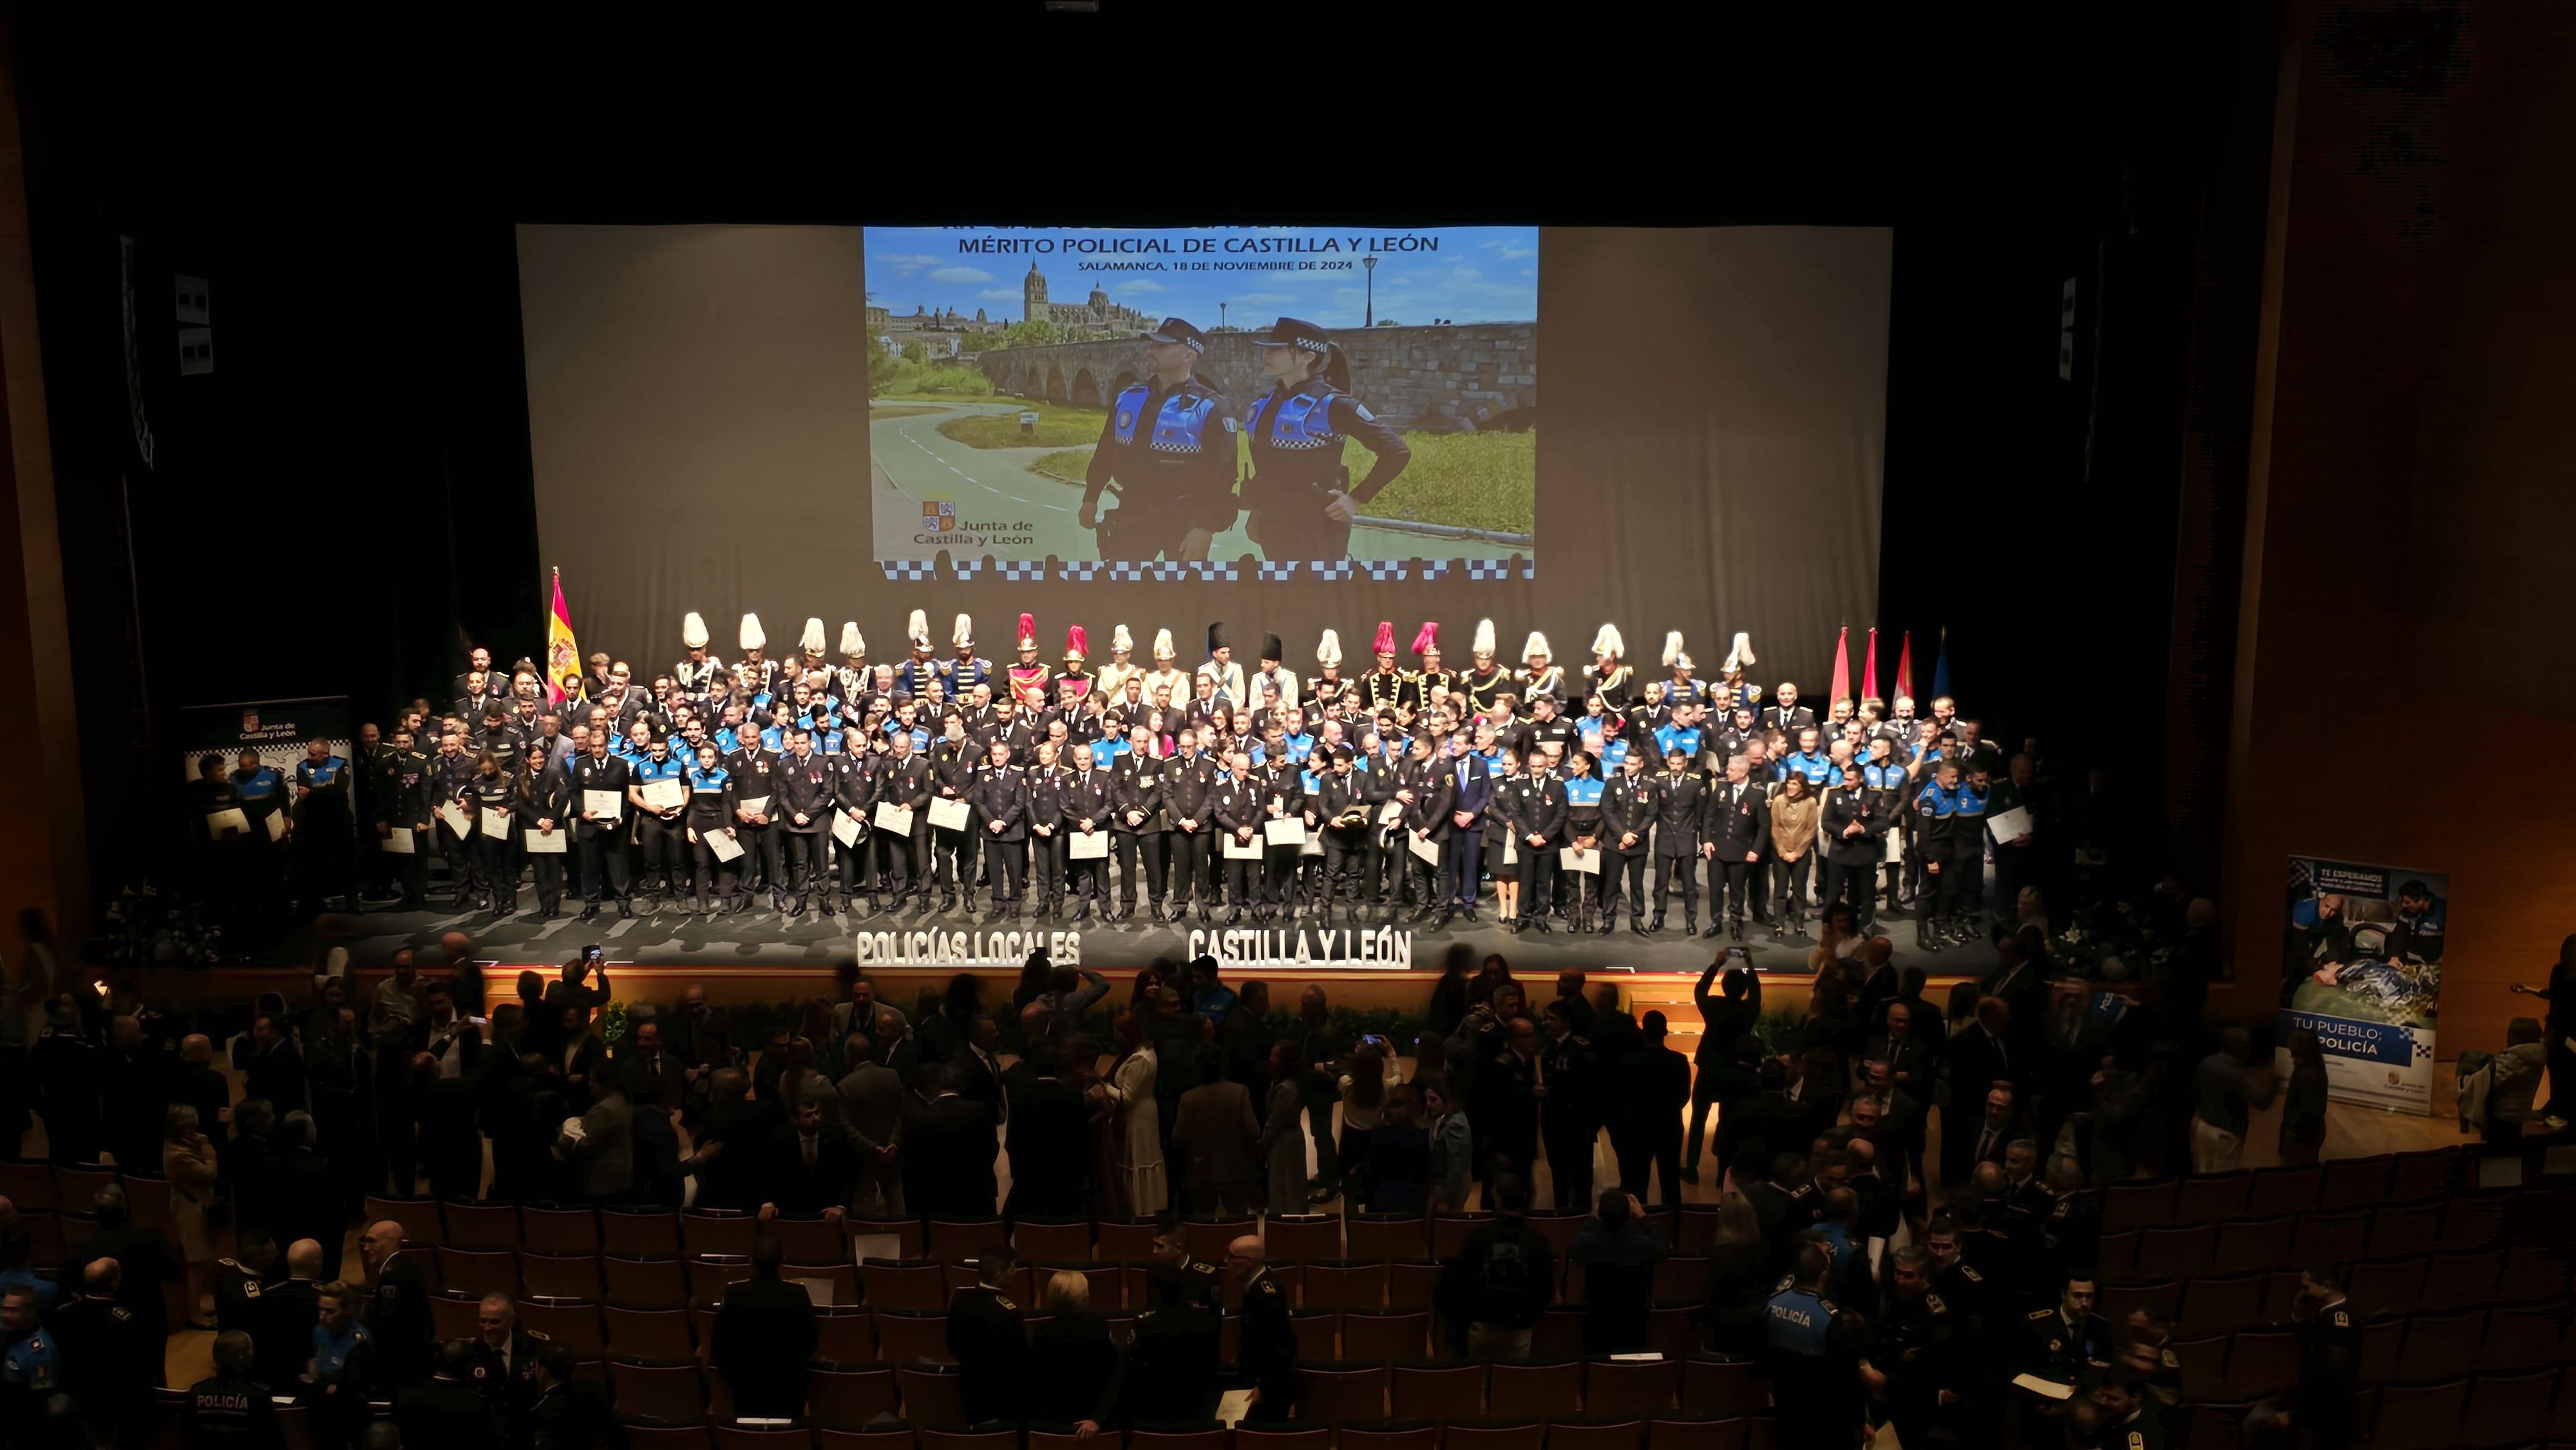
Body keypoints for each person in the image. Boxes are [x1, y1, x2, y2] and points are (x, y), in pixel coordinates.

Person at [1081, 317, 1236, 561]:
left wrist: (1205, 526)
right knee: (1125, 593)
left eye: (1162, 346)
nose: (1152, 351)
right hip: (1133, 513)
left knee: (1182, 596)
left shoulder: (1211, 406)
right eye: (1153, 344)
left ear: (1188, 356)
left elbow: (1222, 475)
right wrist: (1091, 498)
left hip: (1184, 520)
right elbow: (1106, 452)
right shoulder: (1129, 398)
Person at [1439, 1177, 1552, 1360]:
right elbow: (1545, 1288)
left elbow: (1461, 1281)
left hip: (1482, 1324)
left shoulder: (1479, 1235)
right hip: (1519, 1329)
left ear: (1497, 1198)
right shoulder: (1537, 1240)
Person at [1106, 1263, 1224, 1426]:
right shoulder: (1206, 1322)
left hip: (1154, 1413)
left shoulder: (1146, 1325)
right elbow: (1212, 1364)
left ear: (1155, 1292)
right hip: (1198, 1411)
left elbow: (1130, 1367)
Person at [710, 1236, 817, 1418]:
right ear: (782, 1260)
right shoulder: (797, 1294)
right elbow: (810, 1341)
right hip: (789, 1387)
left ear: (752, 1261)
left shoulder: (734, 1294)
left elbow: (719, 1346)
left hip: (744, 1387)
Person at [1571, 1190, 1669, 1354]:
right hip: (1634, 1328)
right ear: (1629, 1215)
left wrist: (1593, 1220)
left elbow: (1576, 1248)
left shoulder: (1589, 1245)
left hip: (1596, 1326)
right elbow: (1663, 1247)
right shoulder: (1640, 1246)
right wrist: (1643, 1217)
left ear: (1600, 1214)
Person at [1171, 1046, 1262, 1216]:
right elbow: (1253, 1131)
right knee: (1238, 1219)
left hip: (1201, 1169)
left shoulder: (1189, 1098)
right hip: (1235, 1167)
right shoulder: (1239, 1093)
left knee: (1203, 1222)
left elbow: (1177, 1137)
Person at [946, 1245, 1030, 1426]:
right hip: (1002, 1397)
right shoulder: (1007, 1311)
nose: (1016, 1272)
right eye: (1013, 1268)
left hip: (970, 1387)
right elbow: (1020, 1359)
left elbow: (952, 1343)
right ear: (1000, 1275)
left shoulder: (961, 1299)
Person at [1028, 1271, 1119, 1434]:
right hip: (1092, 1421)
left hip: (1050, 1423)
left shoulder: (1042, 1332)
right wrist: (1099, 1418)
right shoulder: (1099, 1329)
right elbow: (1113, 1376)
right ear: (1083, 1296)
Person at [1227, 1236, 1300, 1421]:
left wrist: (1265, 1387)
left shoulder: (1266, 1294)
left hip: (1269, 1387)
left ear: (1249, 1262)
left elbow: (1279, 1346)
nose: (1226, 1261)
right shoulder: (1259, 1284)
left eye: (1232, 1257)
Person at [2510, 935, 2576, 1129]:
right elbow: (2555, 996)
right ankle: (2555, 1107)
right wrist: (2529, 990)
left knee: (2569, 1073)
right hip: (2556, 1030)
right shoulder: (2559, 971)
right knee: (2555, 1069)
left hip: (2572, 1034)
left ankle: (2567, 1113)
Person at [2190, 1026, 2277, 1172]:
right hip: (2226, 1135)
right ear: (2240, 1048)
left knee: (2203, 1173)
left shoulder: (2205, 1063)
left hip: (2204, 1128)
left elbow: (2196, 1093)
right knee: (2222, 1181)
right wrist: (2274, 1083)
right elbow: (2262, 1104)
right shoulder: (2237, 1075)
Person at [187, 1330, 284, 1449]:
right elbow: (273, 1442)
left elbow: (188, 1439)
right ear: (244, 1358)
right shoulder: (257, 1396)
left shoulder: (197, 1392)